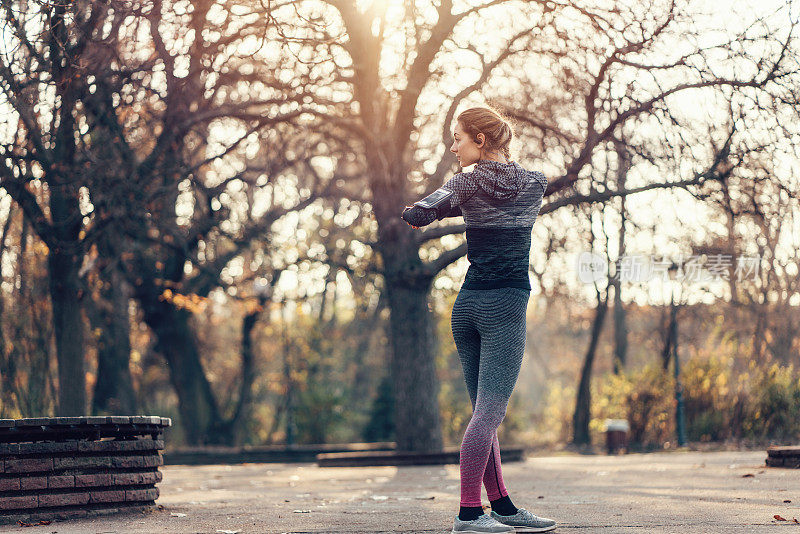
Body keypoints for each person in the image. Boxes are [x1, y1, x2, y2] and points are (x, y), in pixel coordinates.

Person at [401, 107, 556, 534]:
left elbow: (429, 208)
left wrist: (418, 211)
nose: (453, 146)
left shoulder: (466, 183)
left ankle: (501, 506)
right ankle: (469, 514)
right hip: (505, 305)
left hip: (467, 306)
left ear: (481, 141)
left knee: (481, 415)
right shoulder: (534, 183)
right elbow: (508, 190)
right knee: (488, 414)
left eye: (458, 138)